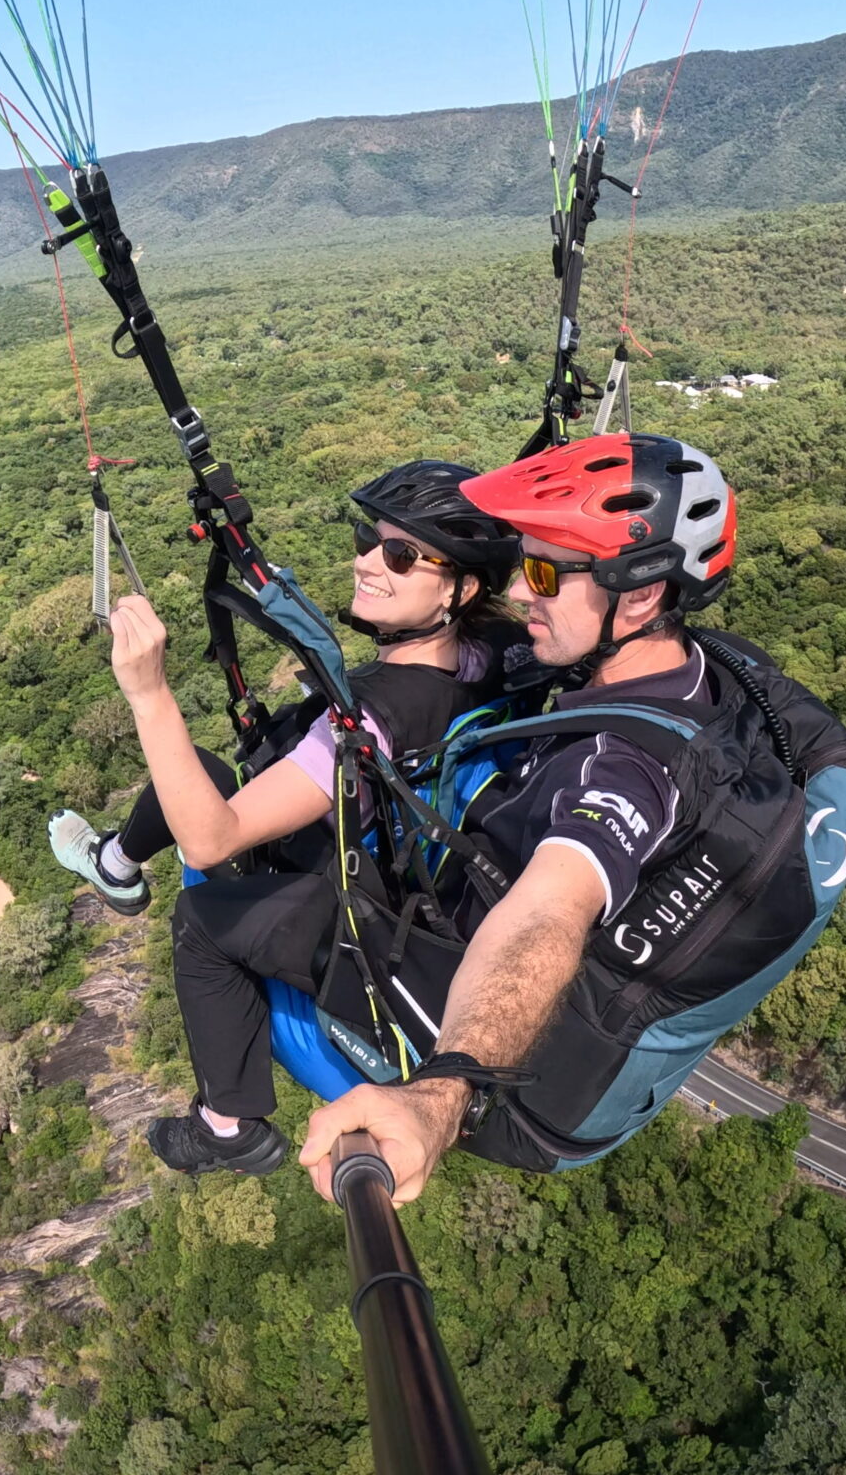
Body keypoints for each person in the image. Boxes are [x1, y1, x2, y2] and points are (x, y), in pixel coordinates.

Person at [148, 431, 846, 1196]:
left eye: (545, 572)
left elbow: (548, 914)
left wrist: (441, 1095)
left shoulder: (620, 772)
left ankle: (226, 1126)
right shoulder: (690, 668)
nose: (520, 593)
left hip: (524, 1090)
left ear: (644, 592)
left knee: (206, 916)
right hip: (570, 1014)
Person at [46, 461, 521, 1174]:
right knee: (199, 772)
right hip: (398, 854)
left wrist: (147, 691)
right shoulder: (496, 657)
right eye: (369, 539)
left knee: (200, 922)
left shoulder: (374, 719)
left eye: (399, 554)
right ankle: (116, 865)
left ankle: (227, 1124)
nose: (366, 562)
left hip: (367, 918)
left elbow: (211, 838)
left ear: (460, 588)